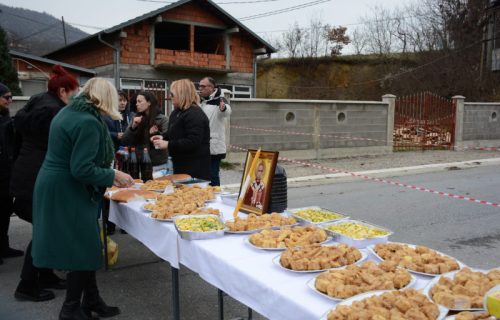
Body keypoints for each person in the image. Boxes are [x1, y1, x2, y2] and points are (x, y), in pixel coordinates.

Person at [32, 77, 134, 320]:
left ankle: (91, 300)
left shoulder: (68, 112)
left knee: (86, 245)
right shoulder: (88, 122)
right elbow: (81, 169)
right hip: (67, 188)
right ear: (105, 98)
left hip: (56, 184)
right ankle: (70, 309)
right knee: (81, 248)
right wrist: (113, 174)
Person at [10, 65, 79, 302]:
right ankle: (26, 286)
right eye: (74, 93)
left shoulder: (37, 102)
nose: (75, 97)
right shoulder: (53, 113)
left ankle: (46, 274)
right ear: (62, 91)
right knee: (44, 232)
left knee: (46, 229)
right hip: (37, 179)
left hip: (25, 175)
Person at [151, 79, 210, 180]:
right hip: (180, 165)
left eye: (173, 95)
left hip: (195, 169)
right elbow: (173, 133)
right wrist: (162, 136)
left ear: (182, 94)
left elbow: (193, 142)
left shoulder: (194, 114)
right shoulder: (177, 112)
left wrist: (168, 144)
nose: (170, 97)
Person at [0, 82, 23, 265]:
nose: (10, 100)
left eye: (11, 97)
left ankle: (3, 246)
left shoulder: (6, 118)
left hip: (7, 174)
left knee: (5, 211)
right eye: (6, 97)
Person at [121, 91, 168, 168]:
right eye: (136, 101)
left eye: (139, 101)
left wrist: (155, 134)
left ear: (149, 103)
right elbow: (124, 141)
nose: (136, 104)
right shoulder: (136, 119)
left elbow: (166, 141)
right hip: (138, 163)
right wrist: (133, 127)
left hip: (157, 164)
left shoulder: (162, 119)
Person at [199, 77, 231, 186]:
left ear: (212, 88)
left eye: (203, 86)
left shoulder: (219, 100)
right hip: (201, 145)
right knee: (202, 175)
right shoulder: (201, 101)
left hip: (214, 147)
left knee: (213, 175)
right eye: (199, 86)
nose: (200, 88)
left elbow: (226, 111)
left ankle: (217, 197)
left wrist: (223, 108)